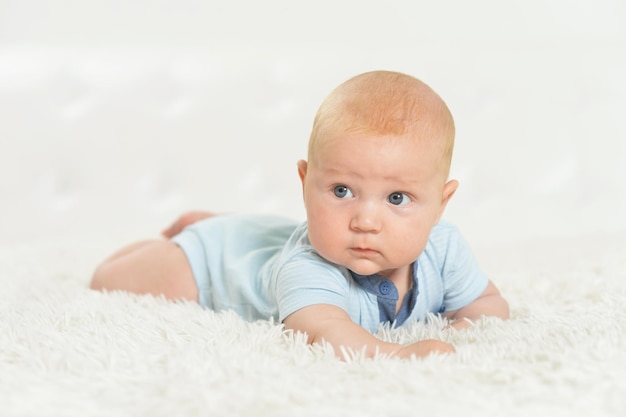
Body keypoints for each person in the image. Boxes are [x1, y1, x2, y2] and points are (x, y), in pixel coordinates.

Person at [90, 70, 509, 359]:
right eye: (342, 191)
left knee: (268, 237)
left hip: (259, 240)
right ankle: (205, 233)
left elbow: (487, 302)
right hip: (213, 263)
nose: (365, 219)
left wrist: (466, 328)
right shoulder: (310, 267)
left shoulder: (445, 248)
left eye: (397, 199)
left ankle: (221, 221)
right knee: (109, 278)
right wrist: (395, 355)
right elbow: (326, 333)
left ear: (441, 203)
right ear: (306, 183)